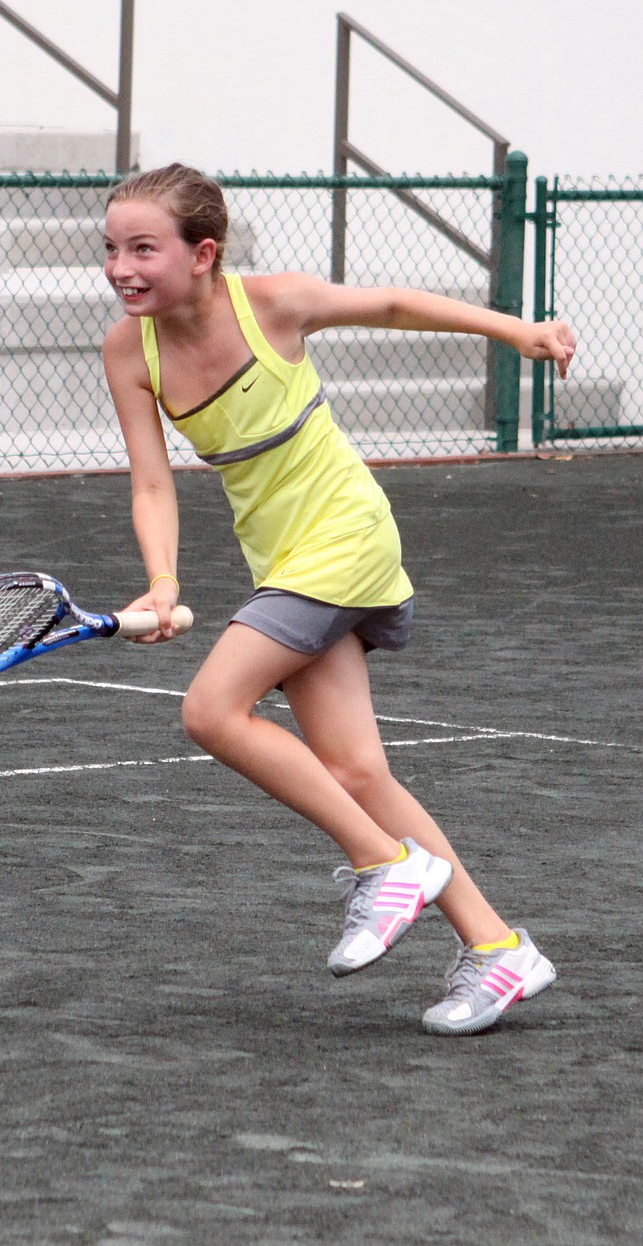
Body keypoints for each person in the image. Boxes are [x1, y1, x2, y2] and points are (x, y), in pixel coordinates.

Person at [101, 163, 576, 1037]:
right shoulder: (129, 350)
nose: (122, 267)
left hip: (346, 536)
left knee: (211, 711)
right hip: (281, 557)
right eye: (111, 249)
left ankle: (379, 864)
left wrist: (517, 330)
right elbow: (153, 485)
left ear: (203, 254)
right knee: (357, 771)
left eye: (144, 248)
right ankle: (499, 947)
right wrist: (164, 582)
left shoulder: (272, 304)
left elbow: (395, 305)